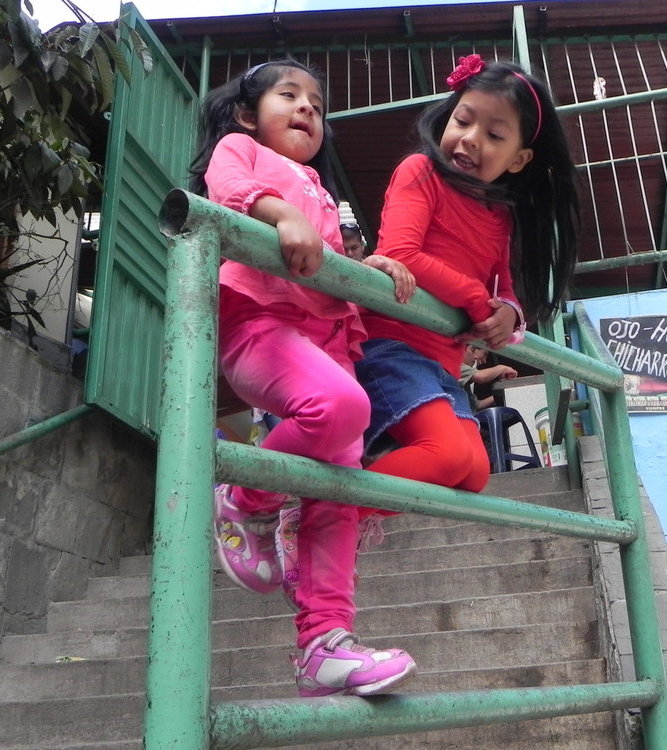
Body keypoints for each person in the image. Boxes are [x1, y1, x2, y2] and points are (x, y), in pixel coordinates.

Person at [188, 58, 417, 698]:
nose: (308, 109)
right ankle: (248, 492)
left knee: (339, 489)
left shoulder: (315, 184)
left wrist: (371, 266)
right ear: (246, 114)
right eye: (290, 96)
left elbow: (330, 260)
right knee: (343, 408)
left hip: (325, 338)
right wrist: (279, 214)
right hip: (262, 324)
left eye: (317, 103)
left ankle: (324, 644)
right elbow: (223, 181)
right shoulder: (244, 151)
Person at [356, 54, 579, 504]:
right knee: (448, 455)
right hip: (390, 347)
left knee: (474, 471)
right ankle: (316, 512)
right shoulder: (420, 172)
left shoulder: (500, 216)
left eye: (494, 135)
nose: (471, 138)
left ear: (519, 160)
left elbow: (503, 288)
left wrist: (508, 313)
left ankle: (349, 517)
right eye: (463, 119)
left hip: (440, 365)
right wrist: (480, 303)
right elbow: (400, 253)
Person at [460, 343, 518, 411]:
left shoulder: (466, 382)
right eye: (472, 350)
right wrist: (502, 368)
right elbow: (481, 377)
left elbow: (477, 405)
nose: (474, 357)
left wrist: (503, 392)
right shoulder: (456, 367)